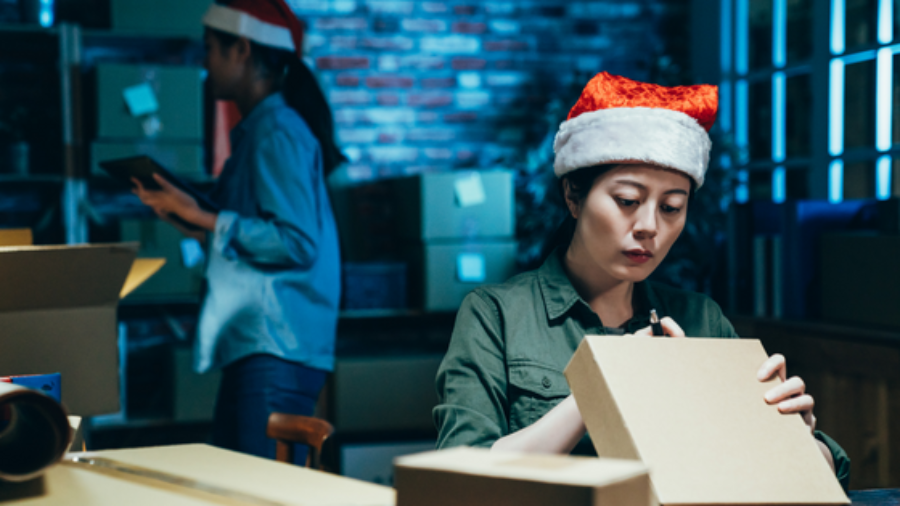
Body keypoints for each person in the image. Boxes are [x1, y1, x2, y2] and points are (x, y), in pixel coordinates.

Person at [433, 72, 851, 489]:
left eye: (671, 207)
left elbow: (815, 480)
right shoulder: (497, 315)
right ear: (573, 197)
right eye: (627, 201)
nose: (649, 226)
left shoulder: (701, 320)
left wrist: (794, 437)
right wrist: (605, 384)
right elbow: (461, 481)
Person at [132, 0, 344, 464]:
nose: (204, 64)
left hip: (275, 346)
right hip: (264, 345)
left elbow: (296, 242)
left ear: (242, 50)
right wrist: (186, 213)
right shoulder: (262, 131)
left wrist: (206, 218)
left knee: (253, 491)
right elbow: (255, 233)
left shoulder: (278, 132)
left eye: (211, 49)